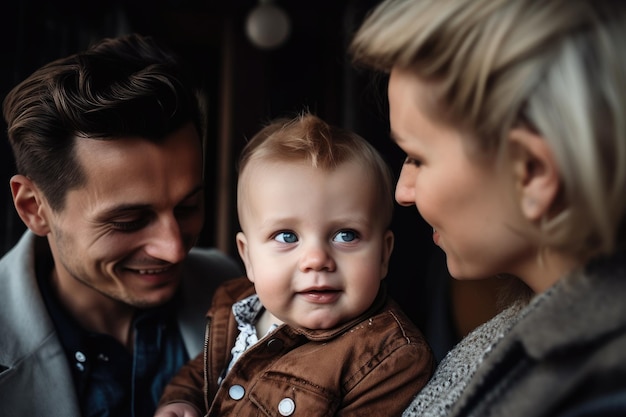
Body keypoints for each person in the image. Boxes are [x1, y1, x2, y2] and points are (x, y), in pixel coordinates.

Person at [350, 0, 626, 416]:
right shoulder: (526, 327)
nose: (402, 192)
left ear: (531, 172)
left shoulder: (596, 391)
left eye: (417, 158)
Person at [0, 33, 242, 417]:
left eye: (188, 206)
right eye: (129, 221)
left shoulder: (238, 286)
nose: (175, 248)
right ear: (34, 208)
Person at [154, 112, 435, 417]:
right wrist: (181, 401)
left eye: (346, 235)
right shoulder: (234, 305)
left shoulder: (391, 359)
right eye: (287, 236)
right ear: (248, 257)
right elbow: (202, 373)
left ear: (383, 255)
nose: (316, 260)